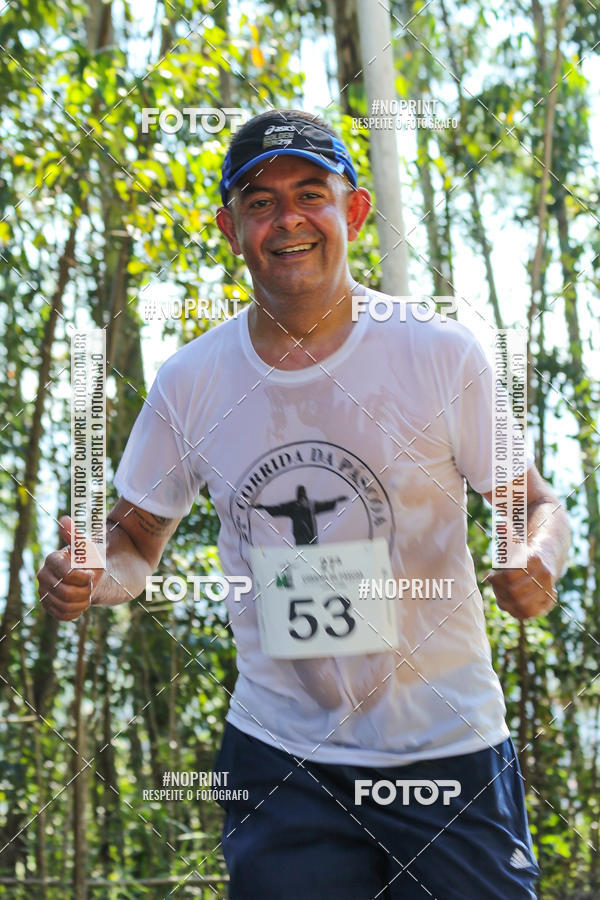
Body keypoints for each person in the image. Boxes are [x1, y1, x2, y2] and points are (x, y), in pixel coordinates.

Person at [37, 108, 570, 899]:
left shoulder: (438, 353)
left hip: (447, 750)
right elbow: (133, 543)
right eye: (260, 202)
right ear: (230, 228)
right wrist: (90, 574)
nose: (288, 220)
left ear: (352, 210)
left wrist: (533, 558)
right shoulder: (192, 380)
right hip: (281, 761)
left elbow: (532, 506)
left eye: (310, 194)